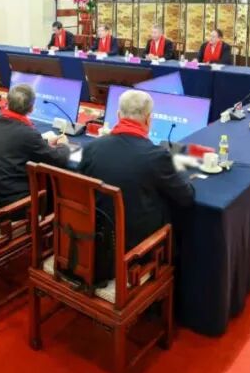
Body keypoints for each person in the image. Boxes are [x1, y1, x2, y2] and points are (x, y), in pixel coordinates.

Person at [78, 90, 195, 284]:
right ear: (149, 120)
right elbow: (186, 197)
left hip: (93, 240)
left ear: (118, 116)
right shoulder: (156, 156)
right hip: (134, 251)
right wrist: (182, 172)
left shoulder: (91, 148)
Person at [0, 84, 71, 208]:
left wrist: (43, 142)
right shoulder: (28, 133)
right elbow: (58, 159)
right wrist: (63, 144)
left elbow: (17, 142)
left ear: (7, 102)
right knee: (50, 190)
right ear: (31, 108)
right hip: (12, 201)